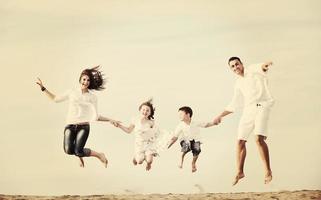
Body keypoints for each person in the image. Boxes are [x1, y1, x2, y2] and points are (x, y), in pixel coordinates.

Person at [36, 66, 119, 168]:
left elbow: (95, 116)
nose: (86, 82)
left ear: (90, 82)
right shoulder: (72, 92)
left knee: (78, 151)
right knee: (68, 151)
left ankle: (99, 155)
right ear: (80, 79)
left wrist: (110, 120)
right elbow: (55, 99)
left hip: (83, 127)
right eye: (84, 79)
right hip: (70, 125)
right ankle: (78, 155)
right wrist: (43, 88)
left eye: (88, 80)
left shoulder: (92, 97)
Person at [213, 57, 274, 185]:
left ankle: (268, 171)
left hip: (262, 106)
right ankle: (240, 172)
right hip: (249, 109)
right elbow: (234, 104)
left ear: (242, 64)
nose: (236, 67)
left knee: (258, 139)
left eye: (237, 64)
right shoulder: (238, 84)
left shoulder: (252, 69)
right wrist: (220, 115)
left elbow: (262, 66)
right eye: (232, 67)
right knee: (240, 141)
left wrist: (266, 64)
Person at [168, 106, 216, 173]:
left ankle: (193, 163)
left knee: (197, 150)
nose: (179, 116)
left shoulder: (195, 122)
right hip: (185, 140)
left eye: (181, 114)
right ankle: (181, 161)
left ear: (188, 114)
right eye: (178, 115)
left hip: (195, 140)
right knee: (186, 149)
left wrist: (214, 123)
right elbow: (175, 137)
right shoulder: (180, 125)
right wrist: (169, 145)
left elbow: (206, 125)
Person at [114, 99, 159, 171]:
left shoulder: (151, 122)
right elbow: (128, 130)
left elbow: (155, 134)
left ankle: (148, 164)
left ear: (150, 113)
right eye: (143, 109)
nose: (145, 112)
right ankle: (135, 158)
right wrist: (119, 126)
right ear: (140, 110)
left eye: (147, 110)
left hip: (148, 143)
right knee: (140, 161)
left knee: (150, 160)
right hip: (139, 144)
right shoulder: (135, 120)